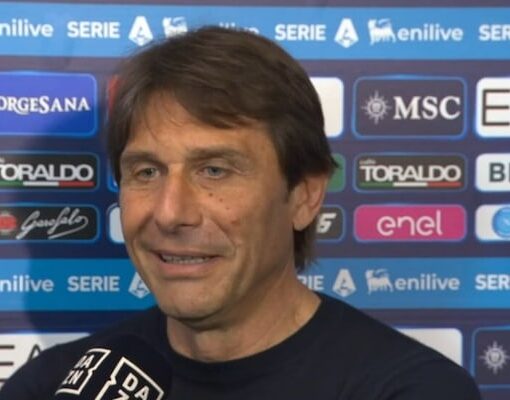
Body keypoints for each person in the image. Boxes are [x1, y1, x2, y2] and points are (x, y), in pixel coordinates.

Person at [0, 26, 480, 399]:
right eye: (146, 172)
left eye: (214, 170)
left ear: (304, 196)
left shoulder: (410, 391)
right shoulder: (52, 385)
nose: (170, 213)